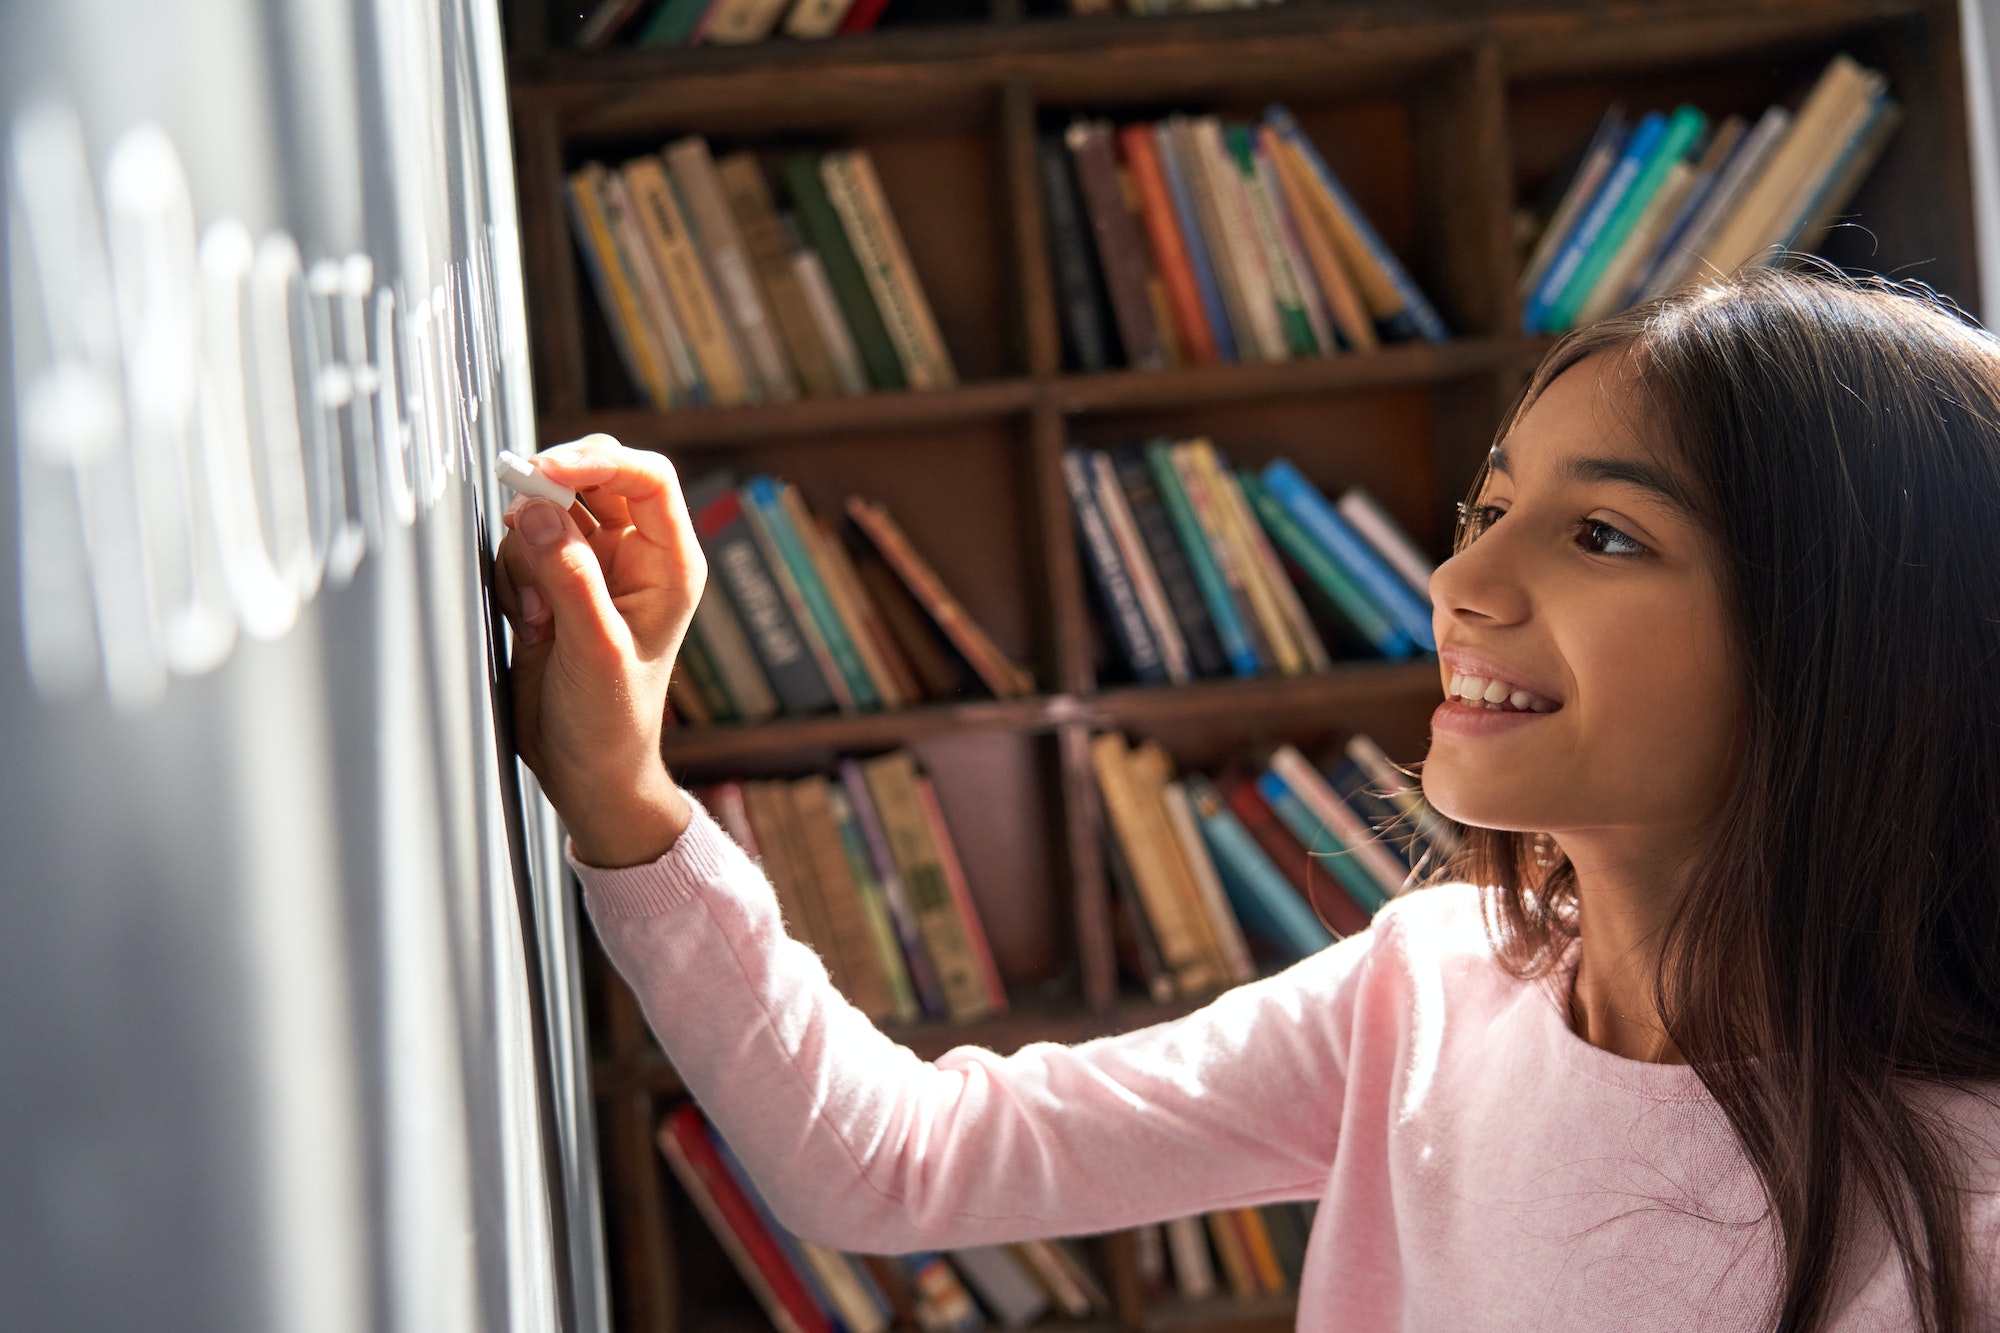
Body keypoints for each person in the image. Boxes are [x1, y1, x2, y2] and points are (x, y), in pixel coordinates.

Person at [494, 268, 2000, 1331]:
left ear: (1849, 645)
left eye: (1600, 532)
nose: (1461, 582)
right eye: (1489, 510)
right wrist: (624, 793)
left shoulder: (1970, 1215)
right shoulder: (1421, 990)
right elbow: (889, 1160)